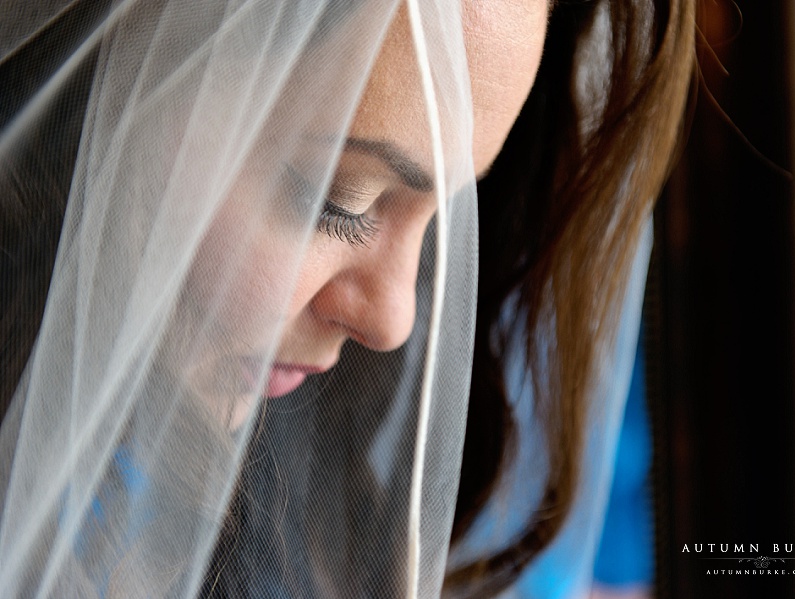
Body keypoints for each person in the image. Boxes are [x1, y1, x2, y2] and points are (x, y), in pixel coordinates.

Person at [0, 0, 693, 596]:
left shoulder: (293, 505)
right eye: (334, 197)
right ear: (98, 81)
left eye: (450, 218)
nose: (396, 319)